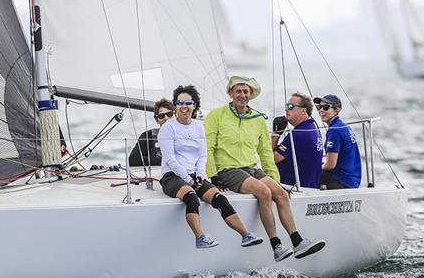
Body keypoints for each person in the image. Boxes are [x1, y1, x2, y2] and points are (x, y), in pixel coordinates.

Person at [204, 75, 325, 261]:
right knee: (264, 192)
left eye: (246, 92)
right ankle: (276, 246)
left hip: (251, 168)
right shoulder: (216, 115)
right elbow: (209, 146)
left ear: (251, 95)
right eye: (238, 91)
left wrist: (275, 179)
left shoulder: (257, 119)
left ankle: (298, 241)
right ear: (230, 93)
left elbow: (265, 154)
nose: (242, 95)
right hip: (227, 170)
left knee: (281, 193)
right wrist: (213, 175)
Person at [158, 84, 263, 249]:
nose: (184, 107)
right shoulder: (168, 128)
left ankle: (246, 235)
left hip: (194, 175)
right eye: (180, 103)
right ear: (175, 106)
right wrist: (188, 180)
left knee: (219, 198)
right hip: (173, 176)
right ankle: (200, 238)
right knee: (192, 198)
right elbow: (170, 159)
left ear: (194, 105)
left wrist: (200, 175)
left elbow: (202, 155)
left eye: (188, 103)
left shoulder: (198, 127)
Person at [272, 92, 323, 188]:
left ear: (303, 111)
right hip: (310, 186)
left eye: (291, 106)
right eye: (286, 106)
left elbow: (271, 159)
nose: (287, 109)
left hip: (292, 189)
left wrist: (276, 134)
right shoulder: (312, 128)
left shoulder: (299, 133)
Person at [315, 94, 362, 189]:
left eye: (326, 107)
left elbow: (330, 165)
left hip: (341, 181)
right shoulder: (344, 126)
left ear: (337, 110)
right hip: (353, 180)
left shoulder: (334, 130)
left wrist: (314, 168)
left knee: (308, 173)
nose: (321, 110)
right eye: (319, 107)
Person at [128, 99, 173, 167]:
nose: (166, 118)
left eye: (169, 114)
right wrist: (162, 161)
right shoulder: (148, 136)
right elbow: (133, 159)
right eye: (161, 116)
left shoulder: (186, 135)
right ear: (156, 120)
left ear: (175, 115)